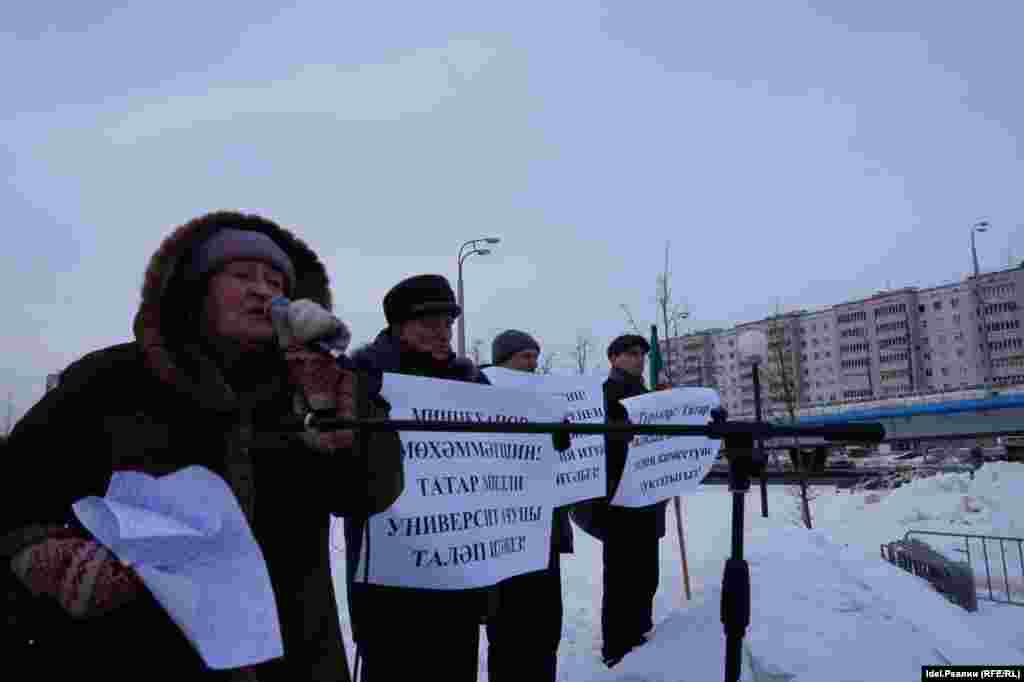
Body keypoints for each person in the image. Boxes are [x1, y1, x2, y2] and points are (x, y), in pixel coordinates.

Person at [1, 211, 404, 681]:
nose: (263, 291)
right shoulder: (107, 381)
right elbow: (16, 491)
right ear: (196, 289)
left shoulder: (308, 388)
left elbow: (372, 492)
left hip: (294, 658)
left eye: (276, 282)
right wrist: (54, 560)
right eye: (242, 275)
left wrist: (330, 391)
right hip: (140, 654)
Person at [345, 274, 490, 682]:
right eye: (429, 322)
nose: (442, 332)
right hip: (390, 580)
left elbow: (511, 438)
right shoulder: (361, 378)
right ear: (397, 325)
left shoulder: (471, 381)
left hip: (458, 570)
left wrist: (548, 436)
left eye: (448, 322)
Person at [571, 333, 667, 667]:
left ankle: (641, 635)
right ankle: (617, 647)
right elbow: (598, 442)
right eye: (630, 353)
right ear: (613, 358)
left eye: (641, 354)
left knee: (647, 575)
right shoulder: (603, 394)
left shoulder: (649, 396)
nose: (638, 359)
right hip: (618, 502)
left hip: (648, 500)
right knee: (621, 579)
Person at [484, 329, 571, 682]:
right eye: (524, 356)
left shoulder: (546, 398)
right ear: (502, 361)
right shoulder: (480, 393)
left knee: (546, 624)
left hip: (543, 530)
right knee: (508, 626)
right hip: (502, 533)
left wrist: (561, 432)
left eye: (535, 356)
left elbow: (561, 454)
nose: (532, 363)